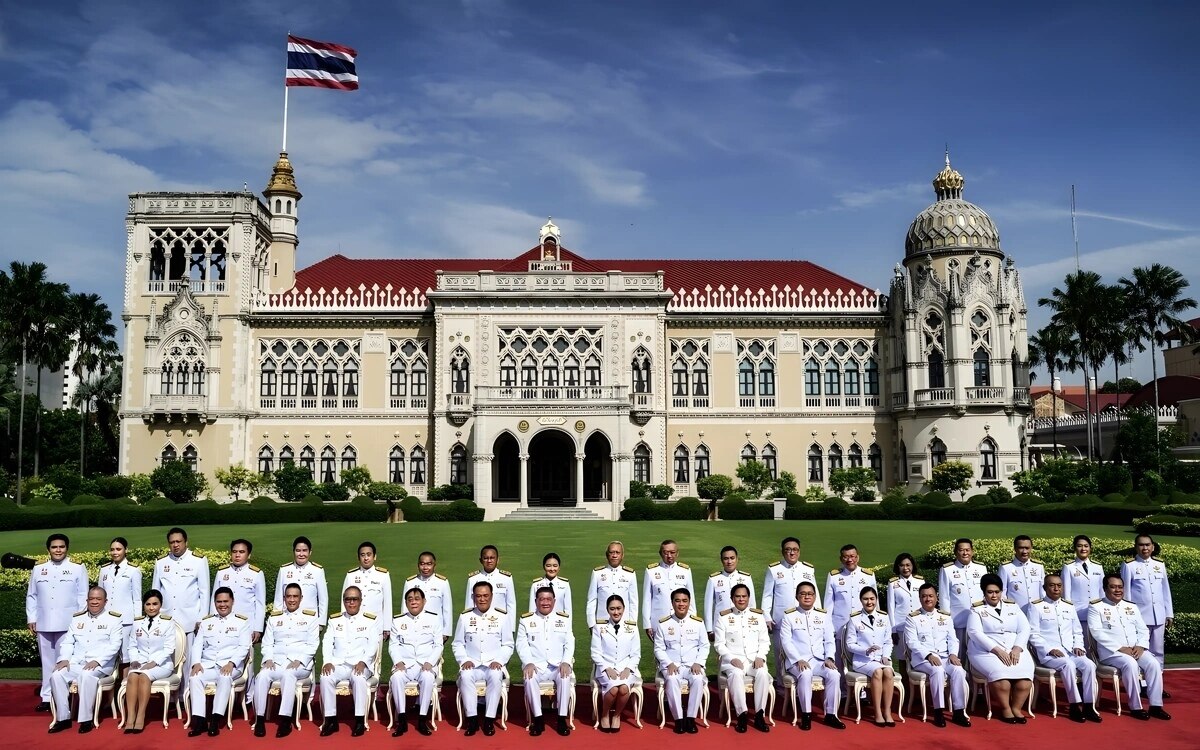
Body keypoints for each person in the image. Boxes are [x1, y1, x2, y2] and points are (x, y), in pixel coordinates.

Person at [1088, 574, 1169, 721]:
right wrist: (1120, 648)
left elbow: (1143, 629)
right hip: (1111, 652)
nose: (1117, 590)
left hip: (1135, 649)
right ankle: (1135, 707)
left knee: (1154, 664)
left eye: (1120, 587)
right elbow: (1096, 632)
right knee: (1130, 664)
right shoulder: (1096, 607)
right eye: (1113, 587)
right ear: (1105, 589)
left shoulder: (1130, 606)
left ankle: (1156, 706)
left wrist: (1141, 646)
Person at [46, 586, 123, 734]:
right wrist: (64, 659)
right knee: (57, 675)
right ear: (87, 600)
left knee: (86, 675)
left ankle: (86, 719)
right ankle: (63, 718)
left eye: (98, 599)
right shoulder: (77, 619)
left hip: (101, 665)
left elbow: (115, 645)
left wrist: (98, 661)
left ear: (105, 601)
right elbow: (68, 642)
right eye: (91, 599)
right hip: (77, 663)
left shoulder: (114, 619)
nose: (94, 602)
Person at [1025, 574, 1101, 723]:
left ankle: (1089, 705)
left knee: (1089, 665)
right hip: (1049, 654)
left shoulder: (1069, 606)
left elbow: (1077, 631)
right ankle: (1074, 705)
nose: (1056, 588)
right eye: (1052, 585)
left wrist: (1079, 646)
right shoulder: (1036, 606)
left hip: (1069, 651)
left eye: (1059, 585)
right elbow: (1033, 634)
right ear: (1045, 588)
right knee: (1068, 664)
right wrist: (1049, 649)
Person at [27, 532, 88, 711]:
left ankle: (65, 695)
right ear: (48, 549)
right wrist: (32, 617)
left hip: (67, 623)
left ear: (67, 548)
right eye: (54, 547)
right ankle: (47, 697)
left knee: (64, 661)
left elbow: (82, 595)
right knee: (46, 662)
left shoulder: (77, 567)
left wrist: (78, 620)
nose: (58, 550)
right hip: (44, 622)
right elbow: (32, 595)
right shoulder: (39, 569)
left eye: (61, 547)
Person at [253, 583, 319, 738]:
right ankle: (260, 719)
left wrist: (301, 660)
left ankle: (285, 720)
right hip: (277, 661)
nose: (291, 600)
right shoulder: (275, 618)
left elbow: (313, 643)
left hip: (299, 664)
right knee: (261, 676)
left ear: (301, 598)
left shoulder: (310, 618)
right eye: (288, 596)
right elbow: (267, 642)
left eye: (295, 596)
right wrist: (268, 659)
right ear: (284, 598)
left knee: (289, 675)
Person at [967, 573, 1034, 723]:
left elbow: (1025, 628)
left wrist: (1017, 648)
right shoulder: (977, 609)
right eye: (990, 592)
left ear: (1001, 592)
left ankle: (1016, 708)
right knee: (1001, 677)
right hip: (985, 651)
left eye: (997, 592)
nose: (994, 595)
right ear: (984, 592)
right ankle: (1005, 709)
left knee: (1025, 679)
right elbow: (974, 632)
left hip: (1014, 648)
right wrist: (996, 650)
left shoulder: (1012, 606)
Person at [778, 581, 844, 731]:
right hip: (798, 661)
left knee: (834, 674)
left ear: (814, 596)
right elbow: (786, 642)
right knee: (805, 673)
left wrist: (830, 658)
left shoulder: (823, 615)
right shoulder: (789, 616)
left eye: (810, 594)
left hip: (818, 660)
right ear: (797, 596)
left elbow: (829, 640)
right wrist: (797, 659)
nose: (807, 596)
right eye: (803, 593)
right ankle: (806, 714)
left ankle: (831, 714)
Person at [904, 582, 970, 728]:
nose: (928, 599)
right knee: (937, 670)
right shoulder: (912, 618)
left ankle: (959, 711)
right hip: (923, 660)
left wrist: (953, 654)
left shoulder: (945, 617)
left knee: (959, 670)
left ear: (937, 597)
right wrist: (928, 655)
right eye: (924, 596)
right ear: (920, 598)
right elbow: (912, 642)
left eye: (931, 596)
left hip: (946, 657)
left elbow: (953, 639)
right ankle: (938, 711)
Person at [187, 587, 251, 737]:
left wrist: (231, 663)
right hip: (209, 664)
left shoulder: (242, 622)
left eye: (225, 601)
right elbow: (197, 645)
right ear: (214, 603)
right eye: (219, 601)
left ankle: (215, 719)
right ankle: (200, 721)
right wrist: (196, 662)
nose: (222, 605)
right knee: (194, 678)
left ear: (232, 602)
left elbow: (244, 647)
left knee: (224, 677)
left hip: (231, 666)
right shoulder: (207, 621)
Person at [452, 580, 514, 737]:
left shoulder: (502, 616)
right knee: (465, 676)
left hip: (492, 664)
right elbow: (457, 644)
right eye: (478, 596)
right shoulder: (465, 617)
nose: (482, 599)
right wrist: (463, 659)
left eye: (486, 595)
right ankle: (472, 720)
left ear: (492, 596)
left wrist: (499, 661)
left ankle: (489, 719)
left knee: (495, 675)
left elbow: (508, 645)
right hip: (472, 664)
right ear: (473, 597)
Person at [319, 585, 381, 736]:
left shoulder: (370, 620)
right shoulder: (335, 620)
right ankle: (331, 720)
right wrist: (327, 661)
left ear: (360, 601)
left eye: (354, 599)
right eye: (348, 600)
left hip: (360, 664)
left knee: (358, 677)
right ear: (344, 601)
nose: (351, 603)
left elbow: (373, 644)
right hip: (339, 663)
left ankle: (359, 721)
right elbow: (327, 641)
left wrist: (364, 662)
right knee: (325, 677)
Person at [213, 538, 266, 704]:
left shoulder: (256, 574)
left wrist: (258, 628)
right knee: (222, 658)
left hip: (246, 626)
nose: (237, 555)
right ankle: (224, 697)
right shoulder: (222, 572)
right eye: (235, 552)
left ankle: (248, 699)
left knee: (247, 662)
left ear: (248, 555)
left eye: (241, 552)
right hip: (223, 624)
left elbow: (260, 603)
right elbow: (213, 599)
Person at [517, 586, 575, 736]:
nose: (545, 602)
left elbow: (570, 642)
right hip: (536, 666)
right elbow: (521, 645)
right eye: (541, 599)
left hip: (557, 665)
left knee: (565, 676)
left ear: (554, 601)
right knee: (529, 678)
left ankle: (562, 719)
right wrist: (528, 662)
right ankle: (538, 719)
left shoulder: (564, 619)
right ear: (536, 601)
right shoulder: (526, 620)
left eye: (549, 599)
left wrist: (566, 662)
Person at [712, 583, 771, 733]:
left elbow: (765, 641)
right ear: (732, 599)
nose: (741, 599)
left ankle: (759, 715)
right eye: (737, 596)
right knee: (736, 674)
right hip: (733, 660)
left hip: (753, 660)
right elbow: (719, 644)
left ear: (749, 598)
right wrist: (731, 658)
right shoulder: (724, 617)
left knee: (763, 673)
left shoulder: (758, 616)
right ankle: (742, 715)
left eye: (744, 596)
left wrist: (761, 656)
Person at [153, 527, 210, 678]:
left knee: (188, 660)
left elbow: (204, 591)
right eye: (172, 542)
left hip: (189, 620)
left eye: (179, 541)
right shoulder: (161, 562)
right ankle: (170, 697)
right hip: (167, 619)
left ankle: (186, 696)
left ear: (186, 542)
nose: (175, 545)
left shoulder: (198, 560)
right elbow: (155, 592)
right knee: (166, 659)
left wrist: (202, 617)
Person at [652, 588, 709, 734]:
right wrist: (668, 663)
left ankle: (690, 718)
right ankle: (678, 719)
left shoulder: (698, 623)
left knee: (697, 679)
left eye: (684, 601)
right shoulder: (664, 624)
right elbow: (658, 648)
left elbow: (704, 645)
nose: (681, 604)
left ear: (689, 603)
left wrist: (699, 662)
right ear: (672, 603)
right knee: (671, 680)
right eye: (677, 601)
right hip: (672, 665)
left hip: (692, 665)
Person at [761, 537, 818, 680]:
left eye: (794, 550)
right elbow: (767, 595)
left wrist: (819, 616)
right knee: (780, 653)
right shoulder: (774, 569)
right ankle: (781, 686)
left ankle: (803, 682)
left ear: (799, 552)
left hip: (804, 618)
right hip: (780, 619)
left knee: (804, 651)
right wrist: (766, 616)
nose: (791, 553)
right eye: (788, 550)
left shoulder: (807, 569)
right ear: (782, 551)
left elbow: (814, 592)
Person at [387, 587, 441, 736]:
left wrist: (430, 662)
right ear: (406, 603)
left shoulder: (434, 618)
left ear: (424, 601)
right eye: (410, 599)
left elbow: (438, 645)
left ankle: (422, 719)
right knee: (396, 678)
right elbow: (393, 645)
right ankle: (402, 720)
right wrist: (398, 661)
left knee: (428, 677)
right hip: (405, 664)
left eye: (417, 599)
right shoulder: (398, 620)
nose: (414, 602)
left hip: (425, 664)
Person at [123, 589, 176, 734]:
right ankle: (130, 717)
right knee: (133, 676)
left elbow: (169, 648)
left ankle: (141, 715)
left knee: (145, 676)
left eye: (155, 604)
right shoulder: (138, 622)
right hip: (140, 662)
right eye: (148, 604)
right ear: (144, 606)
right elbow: (132, 645)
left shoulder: (167, 622)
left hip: (162, 665)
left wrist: (154, 662)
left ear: (160, 605)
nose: (151, 607)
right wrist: (134, 660)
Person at [1120, 533, 1174, 669]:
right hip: (1140, 617)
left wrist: (1169, 613)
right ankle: (1142, 684)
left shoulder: (1159, 564)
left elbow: (1165, 590)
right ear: (1136, 547)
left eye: (1147, 544)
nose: (1145, 548)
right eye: (1141, 544)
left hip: (1159, 616)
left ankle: (1157, 684)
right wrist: (1128, 616)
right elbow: (1126, 594)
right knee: (1139, 651)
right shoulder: (1129, 565)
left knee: (1158, 652)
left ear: (1153, 547)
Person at [845, 586, 896, 727]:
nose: (869, 602)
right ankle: (878, 712)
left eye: (872, 599)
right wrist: (865, 650)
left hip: (880, 659)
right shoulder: (854, 619)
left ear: (876, 600)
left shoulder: (884, 617)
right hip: (863, 660)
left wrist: (886, 655)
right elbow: (850, 644)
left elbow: (888, 641)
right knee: (878, 672)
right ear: (861, 600)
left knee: (888, 672)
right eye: (866, 599)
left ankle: (887, 711)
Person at [590, 594, 640, 733]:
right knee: (613, 689)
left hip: (626, 667)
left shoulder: (632, 627)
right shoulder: (599, 627)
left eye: (619, 608)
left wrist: (629, 668)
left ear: (624, 609)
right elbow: (595, 652)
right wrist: (606, 668)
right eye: (612, 609)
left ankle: (617, 715)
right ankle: (605, 714)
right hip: (606, 667)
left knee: (623, 688)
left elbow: (636, 654)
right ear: (607, 610)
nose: (616, 612)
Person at [824, 543, 876, 667]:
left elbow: (875, 602)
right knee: (838, 663)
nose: (850, 560)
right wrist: (828, 627)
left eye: (852, 556)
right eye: (846, 557)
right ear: (841, 559)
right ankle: (840, 686)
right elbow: (828, 604)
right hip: (839, 626)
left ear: (857, 557)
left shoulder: (868, 575)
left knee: (864, 660)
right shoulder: (834, 576)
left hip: (862, 626)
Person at [936, 538, 986, 659]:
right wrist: (947, 621)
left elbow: (986, 594)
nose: (965, 553)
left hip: (979, 621)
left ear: (972, 552)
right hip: (958, 621)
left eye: (967, 550)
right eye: (961, 550)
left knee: (980, 655)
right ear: (955, 552)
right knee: (959, 656)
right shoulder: (947, 570)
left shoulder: (981, 568)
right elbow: (944, 598)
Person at [98, 536, 142, 658]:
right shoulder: (104, 570)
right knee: (107, 653)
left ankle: (125, 677)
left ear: (125, 550)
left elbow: (137, 598)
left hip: (126, 620)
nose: (115, 552)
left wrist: (137, 620)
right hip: (106, 618)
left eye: (118, 549)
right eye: (112, 549)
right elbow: (100, 595)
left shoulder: (133, 570)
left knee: (125, 655)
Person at [643, 540, 694, 638]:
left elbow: (691, 599)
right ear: (660, 553)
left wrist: (692, 619)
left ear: (677, 553)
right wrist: (647, 624)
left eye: (672, 552)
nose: (669, 555)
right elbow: (647, 600)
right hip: (658, 621)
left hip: (681, 621)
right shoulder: (651, 571)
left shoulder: (685, 570)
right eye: (666, 553)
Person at [273, 536, 328, 628]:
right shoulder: (284, 570)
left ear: (310, 552)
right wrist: (276, 619)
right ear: (293, 552)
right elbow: (278, 598)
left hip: (310, 621)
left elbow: (323, 599)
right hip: (287, 619)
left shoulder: (317, 570)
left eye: (304, 550)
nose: (301, 554)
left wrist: (321, 623)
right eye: (298, 550)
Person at [703, 545, 756, 640]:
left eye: (732, 558)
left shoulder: (746, 578)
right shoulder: (714, 579)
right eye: (726, 559)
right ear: (721, 560)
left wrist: (752, 623)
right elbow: (708, 605)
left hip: (742, 623)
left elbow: (751, 603)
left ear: (737, 559)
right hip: (720, 625)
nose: (729, 562)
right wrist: (709, 629)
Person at [342, 541, 392, 637]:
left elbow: (387, 603)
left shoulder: (383, 575)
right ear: (358, 557)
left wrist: (387, 627)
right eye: (362, 555)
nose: (366, 558)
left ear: (374, 556)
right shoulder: (351, 575)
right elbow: (344, 601)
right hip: (355, 625)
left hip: (376, 626)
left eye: (369, 555)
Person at [886, 552, 923, 677]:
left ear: (912, 566)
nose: (905, 568)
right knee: (903, 658)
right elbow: (891, 607)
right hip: (901, 626)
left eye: (908, 565)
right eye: (902, 565)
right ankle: (905, 687)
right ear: (898, 567)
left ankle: (917, 687)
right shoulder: (893, 583)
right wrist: (893, 630)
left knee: (918, 656)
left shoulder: (920, 581)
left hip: (918, 625)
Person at [586, 541, 639, 626]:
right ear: (607, 555)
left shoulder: (630, 574)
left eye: (618, 553)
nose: (614, 555)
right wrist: (591, 624)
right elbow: (591, 601)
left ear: (622, 555)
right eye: (611, 552)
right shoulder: (597, 573)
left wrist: (632, 624)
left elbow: (633, 602)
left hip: (624, 625)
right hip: (602, 624)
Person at [1061, 534, 1105, 637]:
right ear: (1075, 548)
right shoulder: (1069, 567)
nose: (1083, 548)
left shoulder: (1098, 566)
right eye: (1079, 546)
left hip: (1096, 613)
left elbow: (1102, 591)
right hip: (1077, 613)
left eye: (1086, 546)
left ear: (1090, 548)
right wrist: (1068, 614)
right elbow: (1066, 593)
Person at [465, 545, 516, 631]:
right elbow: (469, 605)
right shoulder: (473, 579)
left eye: (492, 558)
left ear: (498, 559)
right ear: (481, 560)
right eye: (486, 558)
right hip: (479, 623)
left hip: (500, 623)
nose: (489, 561)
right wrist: (468, 626)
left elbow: (511, 604)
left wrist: (511, 628)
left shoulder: (506, 578)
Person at [406, 551, 453, 642]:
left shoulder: (442, 582)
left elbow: (447, 608)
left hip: (435, 630)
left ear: (434, 565)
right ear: (418, 565)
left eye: (429, 564)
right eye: (422, 564)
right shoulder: (410, 582)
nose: (425, 567)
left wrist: (446, 632)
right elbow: (405, 608)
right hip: (415, 629)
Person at [998, 535, 1045, 609]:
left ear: (1031, 548)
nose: (1024, 551)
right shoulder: (1005, 568)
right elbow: (1002, 593)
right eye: (1021, 548)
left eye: (1027, 548)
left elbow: (1043, 592)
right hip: (1015, 612)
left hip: (1036, 611)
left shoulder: (1039, 567)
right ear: (1015, 549)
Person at [528, 552, 573, 618]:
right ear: (544, 567)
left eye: (555, 566)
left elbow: (568, 610)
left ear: (559, 567)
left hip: (558, 623)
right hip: (540, 622)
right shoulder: (536, 584)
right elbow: (532, 609)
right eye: (548, 566)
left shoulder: (565, 584)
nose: (552, 569)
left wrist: (568, 627)